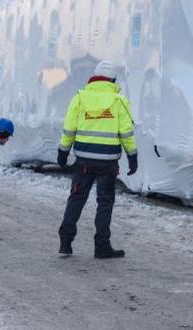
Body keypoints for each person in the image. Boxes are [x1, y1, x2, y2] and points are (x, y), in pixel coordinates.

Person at [57, 60, 138, 258]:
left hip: (83, 160)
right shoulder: (119, 101)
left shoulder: (80, 97)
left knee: (76, 199)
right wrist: (132, 156)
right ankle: (102, 246)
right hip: (108, 163)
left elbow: (69, 128)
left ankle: (65, 243)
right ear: (112, 79)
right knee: (105, 203)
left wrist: (63, 152)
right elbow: (126, 132)